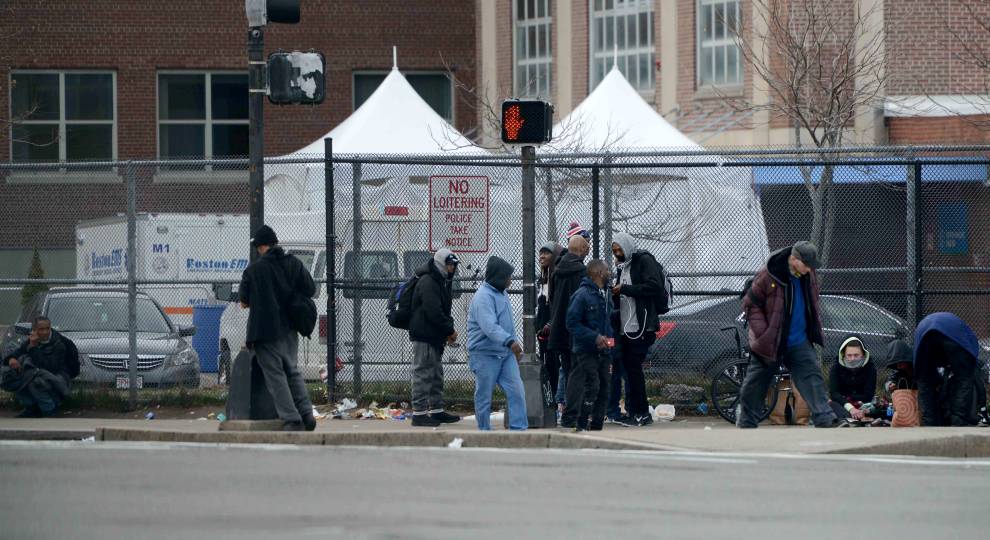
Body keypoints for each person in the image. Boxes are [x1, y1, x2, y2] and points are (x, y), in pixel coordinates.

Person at [737, 241, 841, 428]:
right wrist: (763, 334)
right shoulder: (770, 274)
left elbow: (812, 301)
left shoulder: (808, 275)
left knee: (811, 376)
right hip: (771, 341)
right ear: (794, 259)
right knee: (756, 383)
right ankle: (746, 421)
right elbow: (750, 304)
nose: (809, 270)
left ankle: (824, 417)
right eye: (806, 265)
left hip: (799, 340)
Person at [239, 225, 318, 432]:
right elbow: (310, 288)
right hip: (290, 328)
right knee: (292, 371)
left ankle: (292, 419)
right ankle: (307, 414)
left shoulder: (253, 270)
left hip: (264, 331)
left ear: (261, 247)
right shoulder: (294, 264)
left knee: (275, 376)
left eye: (257, 247)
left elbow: (244, 302)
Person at [608, 232, 662, 427]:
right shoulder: (622, 266)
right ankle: (635, 410)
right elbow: (622, 293)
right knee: (630, 370)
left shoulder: (643, 261)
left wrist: (625, 289)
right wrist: (616, 291)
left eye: (620, 249)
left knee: (634, 369)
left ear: (628, 247)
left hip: (641, 325)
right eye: (614, 251)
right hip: (625, 326)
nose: (618, 254)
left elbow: (653, 286)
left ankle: (641, 412)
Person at [467, 256, 527, 431]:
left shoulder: (502, 293)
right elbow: (489, 327)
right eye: (507, 277)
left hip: (505, 353)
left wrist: (513, 346)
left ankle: (518, 428)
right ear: (498, 277)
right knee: (484, 395)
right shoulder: (482, 297)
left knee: (517, 391)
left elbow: (507, 324)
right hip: (485, 354)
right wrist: (510, 342)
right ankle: (484, 430)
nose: (510, 281)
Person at [408, 248, 462, 427]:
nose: (452, 268)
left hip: (434, 335)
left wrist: (447, 330)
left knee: (436, 374)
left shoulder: (441, 281)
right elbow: (434, 312)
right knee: (423, 372)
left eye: (454, 265)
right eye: (449, 264)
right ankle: (419, 413)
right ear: (441, 264)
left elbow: (443, 309)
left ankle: (436, 410)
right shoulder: (429, 282)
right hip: (425, 335)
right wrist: (450, 330)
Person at [562, 259, 614, 431]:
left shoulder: (604, 295)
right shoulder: (582, 295)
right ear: (599, 273)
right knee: (593, 385)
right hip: (587, 351)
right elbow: (571, 323)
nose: (609, 273)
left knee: (604, 387)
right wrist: (594, 337)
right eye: (607, 270)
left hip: (604, 352)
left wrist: (609, 342)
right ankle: (581, 423)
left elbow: (608, 322)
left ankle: (597, 425)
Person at [547, 225, 590, 419]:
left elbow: (552, 300)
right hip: (577, 331)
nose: (588, 251)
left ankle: (564, 408)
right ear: (580, 250)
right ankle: (573, 412)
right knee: (577, 373)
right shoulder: (582, 272)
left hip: (559, 329)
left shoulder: (556, 271)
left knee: (567, 368)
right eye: (586, 249)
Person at [913, 312, 985, 426]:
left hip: (923, 332)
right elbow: (967, 370)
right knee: (964, 377)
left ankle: (929, 424)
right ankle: (958, 419)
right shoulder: (968, 341)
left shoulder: (965, 337)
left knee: (924, 381)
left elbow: (925, 374)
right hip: (951, 333)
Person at [1, 317, 79, 418]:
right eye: (41, 329)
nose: (45, 332)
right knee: (10, 377)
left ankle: (49, 409)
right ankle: (32, 408)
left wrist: (33, 348)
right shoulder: (32, 340)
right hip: (38, 371)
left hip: (58, 376)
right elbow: (18, 352)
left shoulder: (59, 344)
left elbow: (51, 368)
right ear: (34, 330)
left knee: (36, 381)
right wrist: (11, 359)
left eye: (47, 328)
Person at [827, 335, 885, 425]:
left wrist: (858, 406)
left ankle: (851, 418)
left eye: (856, 355)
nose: (852, 359)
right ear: (843, 355)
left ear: (863, 355)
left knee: (881, 406)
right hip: (843, 404)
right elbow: (834, 394)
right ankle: (850, 418)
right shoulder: (835, 368)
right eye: (849, 355)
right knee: (830, 404)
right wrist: (850, 407)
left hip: (864, 404)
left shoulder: (870, 368)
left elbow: (869, 394)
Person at [536, 241, 563, 404]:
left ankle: (557, 400)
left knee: (555, 365)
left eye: (546, 253)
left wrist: (551, 324)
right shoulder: (543, 278)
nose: (542, 256)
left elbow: (558, 305)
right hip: (543, 332)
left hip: (554, 330)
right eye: (541, 253)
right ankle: (549, 398)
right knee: (547, 365)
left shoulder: (557, 276)